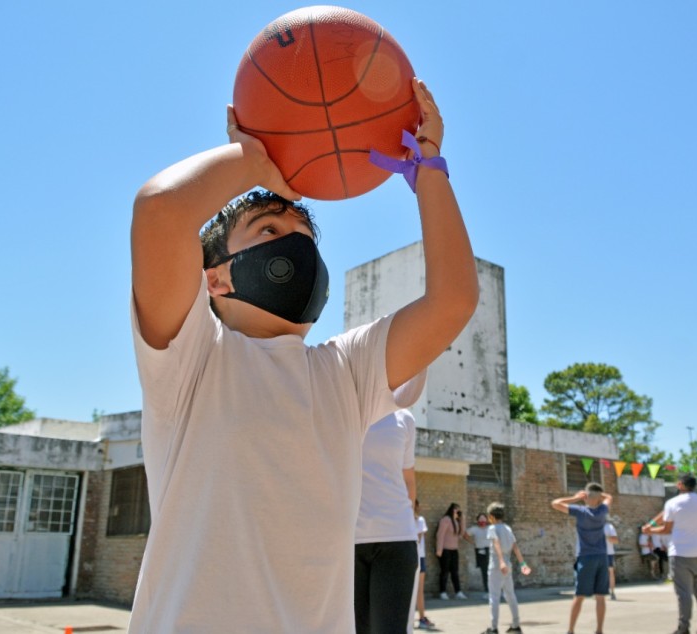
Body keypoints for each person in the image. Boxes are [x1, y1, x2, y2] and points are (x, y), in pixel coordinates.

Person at [127, 76, 477, 632]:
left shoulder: (345, 370)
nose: (295, 242)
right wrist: (256, 162)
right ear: (214, 280)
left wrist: (429, 170)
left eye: (304, 235)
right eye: (268, 228)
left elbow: (454, 300)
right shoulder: (190, 358)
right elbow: (160, 209)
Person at [354, 409, 419, 633]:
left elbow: (409, 479)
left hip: (397, 537)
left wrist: (411, 519)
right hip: (347, 541)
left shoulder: (403, 417)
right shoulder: (340, 406)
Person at [643, 473, 697, 634]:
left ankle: (683, 627)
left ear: (680, 484)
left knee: (684, 592)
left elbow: (667, 528)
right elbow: (666, 513)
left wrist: (650, 529)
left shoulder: (672, 502)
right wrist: (652, 522)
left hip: (681, 552)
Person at [551, 483, 613, 634]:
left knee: (579, 596)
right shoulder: (603, 510)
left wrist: (575, 497)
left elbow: (555, 503)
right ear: (598, 498)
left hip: (586, 558)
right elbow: (609, 497)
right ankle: (599, 630)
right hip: (602, 557)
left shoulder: (580, 511)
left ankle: (571, 630)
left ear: (586, 497)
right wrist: (598, 495)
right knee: (600, 597)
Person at [481, 502, 528, 634]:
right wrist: (522, 563)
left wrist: (500, 561)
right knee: (510, 595)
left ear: (491, 516)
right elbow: (515, 546)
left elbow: (496, 543)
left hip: (497, 565)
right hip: (508, 565)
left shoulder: (492, 529)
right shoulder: (507, 528)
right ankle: (516, 625)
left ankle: (494, 628)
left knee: (494, 596)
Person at [436, 503, 468, 599]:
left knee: (455, 571)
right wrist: (439, 549)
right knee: (444, 571)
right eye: (455, 510)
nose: (457, 512)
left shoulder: (456, 521)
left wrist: (462, 519)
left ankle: (458, 592)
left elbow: (461, 533)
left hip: (454, 550)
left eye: (458, 510)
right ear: (451, 510)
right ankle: (442, 592)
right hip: (445, 550)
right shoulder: (445, 520)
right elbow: (440, 535)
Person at [414, 500, 435, 630]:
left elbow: (418, 538)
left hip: (417, 557)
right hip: (415, 558)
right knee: (418, 591)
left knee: (418, 590)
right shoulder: (419, 520)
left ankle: (422, 618)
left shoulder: (419, 520)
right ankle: (421, 618)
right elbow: (418, 538)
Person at [466, 513, 492, 598]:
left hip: (490, 551)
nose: (482, 521)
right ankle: (487, 591)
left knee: (493, 572)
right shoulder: (475, 529)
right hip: (480, 551)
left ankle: (497, 591)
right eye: (480, 520)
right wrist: (472, 542)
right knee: (484, 572)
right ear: (477, 521)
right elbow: (465, 534)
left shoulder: (490, 528)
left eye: (484, 519)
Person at [605, 519, 619, 599]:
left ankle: (612, 592)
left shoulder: (609, 527)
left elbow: (616, 540)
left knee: (610, 572)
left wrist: (605, 537)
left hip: (608, 553)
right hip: (596, 554)